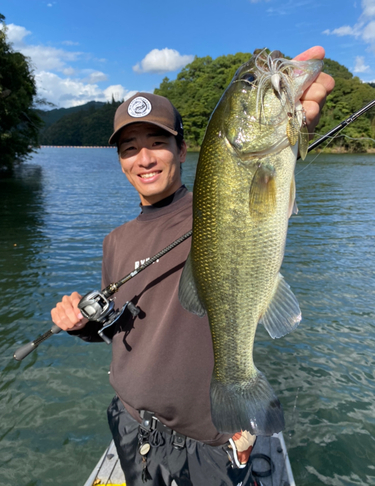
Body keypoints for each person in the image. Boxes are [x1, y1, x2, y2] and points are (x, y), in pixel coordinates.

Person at [51, 46, 335, 486]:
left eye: (158, 143)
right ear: (121, 161)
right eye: (130, 148)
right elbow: (118, 324)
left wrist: (290, 128)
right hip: (130, 426)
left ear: (183, 150)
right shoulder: (115, 241)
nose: (144, 159)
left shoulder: (203, 211)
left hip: (204, 443)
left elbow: (266, 189)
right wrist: (82, 324)